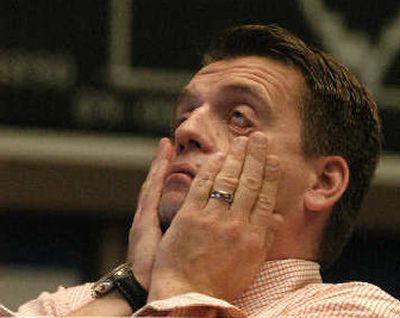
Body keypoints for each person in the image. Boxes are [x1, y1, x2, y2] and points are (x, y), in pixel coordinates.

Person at [7, 24, 400, 317]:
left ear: (323, 182)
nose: (187, 130)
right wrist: (130, 287)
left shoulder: (358, 311)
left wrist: (184, 287)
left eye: (240, 117)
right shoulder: (66, 306)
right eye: (185, 114)